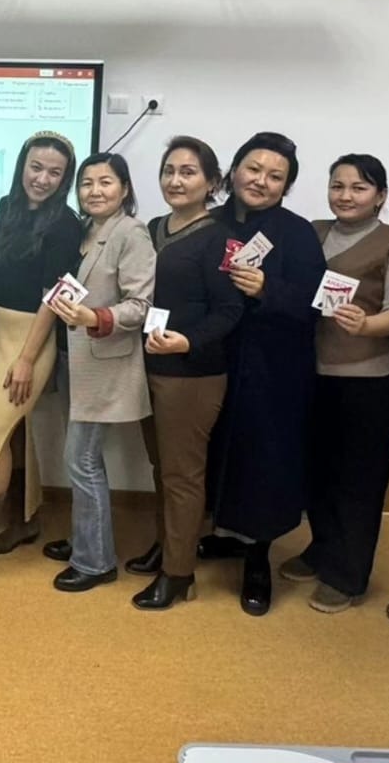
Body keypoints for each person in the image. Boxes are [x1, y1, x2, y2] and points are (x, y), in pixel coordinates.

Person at [197, 131, 325, 616]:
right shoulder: (206, 222)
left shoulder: (297, 232)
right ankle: (225, 535)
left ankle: (258, 557)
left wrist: (267, 289)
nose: (261, 181)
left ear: (286, 186)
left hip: (273, 369)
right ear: (233, 171)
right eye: (253, 169)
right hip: (209, 359)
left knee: (263, 462)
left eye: (275, 176)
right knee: (209, 451)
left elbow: (316, 304)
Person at [0, 131, 81, 601]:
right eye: (36, 167)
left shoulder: (66, 224)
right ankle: (26, 521)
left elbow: (55, 297)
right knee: (15, 431)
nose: (42, 179)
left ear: (65, 179)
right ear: (22, 165)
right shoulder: (6, 207)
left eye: (55, 173)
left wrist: (26, 358)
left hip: (31, 337)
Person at [279, 154, 389, 613]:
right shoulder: (312, 232)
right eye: (338, 186)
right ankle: (322, 549)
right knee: (317, 472)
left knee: (358, 479)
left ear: (380, 195)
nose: (346, 196)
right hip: (311, 373)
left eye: (359, 187)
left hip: (368, 378)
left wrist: (367, 325)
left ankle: (348, 574)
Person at [130, 137, 244, 610]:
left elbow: (230, 310)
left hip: (192, 374)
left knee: (183, 473)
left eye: (188, 172)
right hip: (147, 365)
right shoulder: (153, 228)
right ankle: (167, 545)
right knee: (162, 466)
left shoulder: (223, 238)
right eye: (168, 171)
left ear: (212, 183)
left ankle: (178, 573)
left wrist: (188, 341)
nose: (175, 180)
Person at [44, 153, 155, 593]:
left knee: (82, 459)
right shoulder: (86, 230)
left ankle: (95, 562)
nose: (94, 190)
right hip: (74, 358)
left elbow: (140, 306)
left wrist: (96, 317)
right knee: (80, 459)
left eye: (105, 182)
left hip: (105, 362)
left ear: (124, 189)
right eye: (86, 183)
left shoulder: (131, 232)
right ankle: (85, 540)